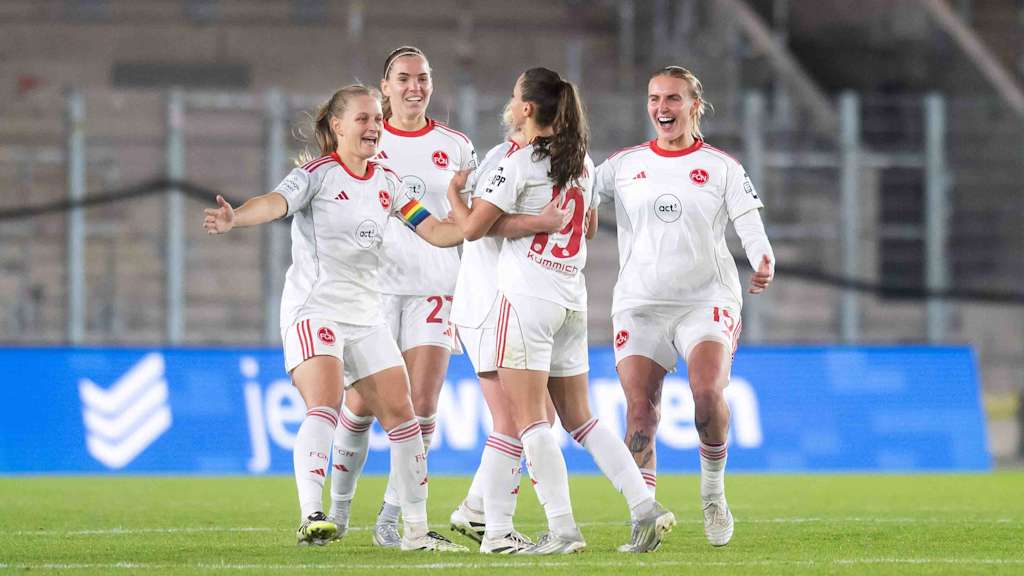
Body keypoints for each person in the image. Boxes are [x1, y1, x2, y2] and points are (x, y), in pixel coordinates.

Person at [202, 84, 466, 552]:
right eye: (363, 119)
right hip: (315, 310)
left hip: (365, 316)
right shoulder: (316, 176)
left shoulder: (388, 182)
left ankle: (415, 532)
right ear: (338, 126)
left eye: (377, 121)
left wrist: (475, 222)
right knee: (324, 404)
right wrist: (235, 218)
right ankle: (313, 515)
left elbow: (436, 231)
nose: (374, 128)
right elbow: (273, 203)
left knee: (406, 419)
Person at [447, 67, 676, 555]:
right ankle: (645, 506)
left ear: (528, 108)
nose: (510, 102)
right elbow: (588, 227)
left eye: (515, 95)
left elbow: (473, 227)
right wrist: (548, 223)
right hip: (571, 298)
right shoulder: (582, 162)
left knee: (530, 421)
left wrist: (453, 195)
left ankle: (562, 530)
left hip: (526, 299)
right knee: (582, 420)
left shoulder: (520, 162)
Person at [592, 66, 775, 547]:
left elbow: (747, 220)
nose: (661, 108)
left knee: (706, 395)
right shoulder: (624, 164)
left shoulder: (721, 167)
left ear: (695, 105)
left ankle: (712, 493)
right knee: (639, 412)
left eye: (672, 99)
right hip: (639, 303)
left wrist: (762, 258)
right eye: (654, 98)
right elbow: (574, 193)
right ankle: (644, 514)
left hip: (705, 300)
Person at [327, 46, 479, 548]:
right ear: (385, 85)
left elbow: (472, 216)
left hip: (435, 287)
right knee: (361, 407)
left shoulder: (455, 145)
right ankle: (339, 509)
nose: (415, 87)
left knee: (423, 405)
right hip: (371, 291)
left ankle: (392, 517)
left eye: (424, 78)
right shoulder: (367, 136)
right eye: (404, 78)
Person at [447, 106, 566, 554]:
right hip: (488, 301)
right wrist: (540, 222)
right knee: (515, 420)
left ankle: (478, 509)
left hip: (510, 303)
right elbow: (477, 227)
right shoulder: (504, 160)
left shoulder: (531, 162)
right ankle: (496, 530)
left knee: (538, 417)